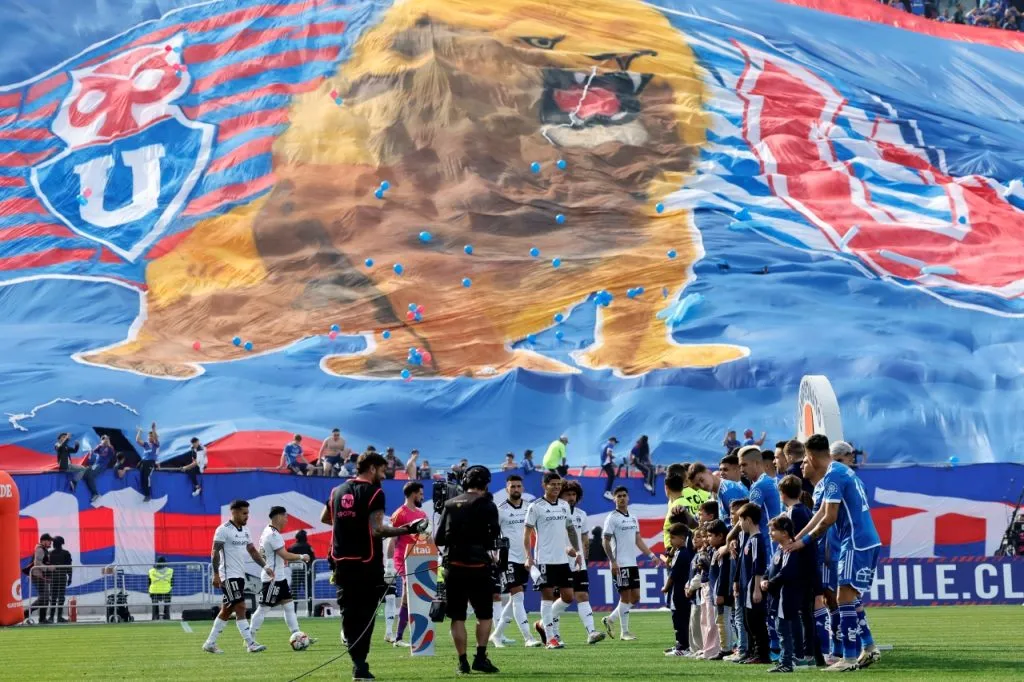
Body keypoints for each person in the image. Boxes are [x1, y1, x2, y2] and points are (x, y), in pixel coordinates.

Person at [320, 452, 423, 681]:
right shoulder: (375, 492)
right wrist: (408, 529)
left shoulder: (337, 491)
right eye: (383, 470)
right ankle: (360, 664)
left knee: (349, 612)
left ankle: (357, 662)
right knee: (366, 614)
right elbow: (377, 529)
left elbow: (325, 517)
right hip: (367, 562)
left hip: (342, 562)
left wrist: (349, 523)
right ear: (373, 468)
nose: (384, 476)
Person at [786, 435, 881, 672]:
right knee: (851, 597)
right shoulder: (842, 472)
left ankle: (848, 658)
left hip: (855, 542)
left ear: (809, 456)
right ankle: (868, 648)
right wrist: (797, 539)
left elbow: (828, 518)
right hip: (865, 540)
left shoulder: (832, 476)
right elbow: (820, 514)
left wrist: (804, 541)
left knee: (843, 599)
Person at [434, 465, 501, 675]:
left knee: (458, 617)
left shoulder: (450, 504)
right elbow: (493, 537)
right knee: (484, 615)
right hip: (479, 566)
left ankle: (462, 662)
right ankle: (480, 658)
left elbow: (439, 539)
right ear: (486, 483)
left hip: (454, 566)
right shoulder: (487, 504)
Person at [203, 499, 273, 654]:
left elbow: (253, 551)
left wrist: (265, 566)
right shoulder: (223, 529)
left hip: (239, 575)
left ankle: (210, 643)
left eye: (248, 513)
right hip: (228, 576)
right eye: (244, 513)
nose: (247, 516)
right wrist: (215, 574)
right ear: (234, 512)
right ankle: (250, 643)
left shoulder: (245, 531)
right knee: (241, 606)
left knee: (227, 610)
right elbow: (214, 553)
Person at [524, 472, 581, 649]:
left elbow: (570, 529)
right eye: (553, 484)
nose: (556, 487)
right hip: (544, 559)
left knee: (568, 597)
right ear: (544, 486)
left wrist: (576, 549)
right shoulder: (535, 506)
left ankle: (542, 623)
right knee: (547, 597)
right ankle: (550, 638)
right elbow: (526, 534)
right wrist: (528, 556)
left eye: (558, 485)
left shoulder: (564, 505)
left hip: (562, 559)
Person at [601, 486, 663, 641]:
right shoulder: (612, 517)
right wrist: (613, 562)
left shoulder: (633, 517)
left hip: (632, 563)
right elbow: (605, 541)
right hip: (620, 563)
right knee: (625, 597)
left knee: (635, 598)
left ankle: (610, 619)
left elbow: (638, 540)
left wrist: (651, 555)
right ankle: (625, 632)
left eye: (624, 495)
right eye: (619, 496)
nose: (622, 498)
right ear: (614, 499)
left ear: (628, 498)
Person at [250, 506, 315, 645]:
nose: (286, 520)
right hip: (273, 579)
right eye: (285, 517)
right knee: (263, 608)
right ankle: (249, 639)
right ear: (278, 516)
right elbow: (284, 555)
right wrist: (302, 556)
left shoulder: (268, 531)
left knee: (289, 606)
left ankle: (298, 635)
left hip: (279, 577)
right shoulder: (273, 534)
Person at [493, 475, 541, 648]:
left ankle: (497, 635)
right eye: (512, 486)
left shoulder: (530, 508)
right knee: (518, 596)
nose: (516, 489)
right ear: (507, 489)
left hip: (526, 559)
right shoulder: (500, 509)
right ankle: (528, 637)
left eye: (518, 486)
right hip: (508, 559)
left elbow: (538, 532)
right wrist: (494, 555)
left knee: (515, 600)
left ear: (523, 488)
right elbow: (492, 534)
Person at [779, 474, 820, 668]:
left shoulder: (793, 514)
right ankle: (808, 654)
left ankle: (802, 654)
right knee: (805, 613)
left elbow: (794, 543)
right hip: (808, 567)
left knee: (799, 613)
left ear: (782, 493)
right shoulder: (805, 511)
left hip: (799, 569)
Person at [559, 480, 605, 644]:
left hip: (579, 563)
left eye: (573, 494)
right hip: (559, 561)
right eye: (567, 494)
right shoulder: (556, 513)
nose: (571, 497)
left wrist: (584, 558)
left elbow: (585, 538)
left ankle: (591, 632)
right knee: (565, 598)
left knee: (583, 595)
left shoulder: (581, 514)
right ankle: (550, 630)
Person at [383, 481, 428, 647]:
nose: (422, 497)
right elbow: (392, 539)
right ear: (414, 494)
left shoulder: (422, 514)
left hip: (419, 558)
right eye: (421, 494)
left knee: (413, 596)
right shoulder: (399, 514)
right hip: (402, 558)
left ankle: (404, 636)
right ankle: (399, 637)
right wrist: (388, 565)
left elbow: (426, 537)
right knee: (409, 592)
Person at [763, 515, 805, 673]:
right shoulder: (779, 550)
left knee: (784, 630)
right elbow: (770, 569)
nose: (770, 533)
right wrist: (765, 579)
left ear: (785, 533)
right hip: (778, 595)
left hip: (787, 595)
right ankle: (785, 661)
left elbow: (787, 572)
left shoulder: (791, 550)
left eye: (773, 530)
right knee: (782, 629)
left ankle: (787, 663)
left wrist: (771, 582)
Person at [737, 502, 770, 664]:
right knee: (747, 620)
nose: (739, 524)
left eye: (740, 520)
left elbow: (759, 566)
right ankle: (753, 652)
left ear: (748, 520)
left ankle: (762, 654)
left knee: (755, 621)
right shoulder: (748, 539)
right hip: (746, 587)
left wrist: (757, 588)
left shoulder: (756, 540)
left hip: (753, 586)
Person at [687, 460, 749, 529]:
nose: (702, 486)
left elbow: (743, 521)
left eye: (702, 480)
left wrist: (729, 538)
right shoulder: (720, 492)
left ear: (708, 472)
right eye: (698, 485)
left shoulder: (728, 490)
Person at [663, 522, 694, 656]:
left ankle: (683, 646)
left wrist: (665, 587)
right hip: (679, 591)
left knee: (680, 619)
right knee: (680, 618)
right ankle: (680, 644)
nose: (670, 541)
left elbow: (673, 574)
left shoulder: (682, 554)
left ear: (681, 538)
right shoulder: (679, 552)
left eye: (672, 538)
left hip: (679, 591)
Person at [56, 432, 99, 504]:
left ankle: (74, 483)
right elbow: (61, 447)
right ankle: (74, 482)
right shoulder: (57, 445)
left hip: (68, 465)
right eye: (63, 437)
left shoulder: (65, 446)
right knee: (83, 468)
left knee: (83, 469)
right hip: (64, 465)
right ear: (59, 439)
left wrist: (77, 445)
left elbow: (74, 451)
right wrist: (67, 438)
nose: (64, 438)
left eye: (65, 437)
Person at [287, 529, 316, 614]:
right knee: (308, 591)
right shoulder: (308, 547)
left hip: (296, 574)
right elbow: (313, 559)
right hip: (307, 573)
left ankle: (293, 611)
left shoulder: (292, 547)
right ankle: (309, 611)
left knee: (294, 592)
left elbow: (288, 558)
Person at [29, 533, 53, 624]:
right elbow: (37, 563)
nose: (50, 542)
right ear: (43, 541)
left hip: (41, 576)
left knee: (45, 598)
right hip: (38, 576)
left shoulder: (43, 549)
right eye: (49, 540)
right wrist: (48, 568)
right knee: (44, 597)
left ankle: (42, 619)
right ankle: (28, 612)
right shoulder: (40, 549)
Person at [48, 536, 72, 624]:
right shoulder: (66, 553)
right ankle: (58, 617)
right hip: (60, 577)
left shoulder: (50, 553)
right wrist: (70, 577)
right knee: (59, 597)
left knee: (54, 597)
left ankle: (52, 617)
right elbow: (69, 567)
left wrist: (70, 577)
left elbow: (69, 567)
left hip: (55, 578)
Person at [135, 423, 160, 502]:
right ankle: (145, 494)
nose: (150, 437)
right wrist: (139, 431)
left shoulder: (156, 444)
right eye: (149, 436)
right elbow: (137, 440)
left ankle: (148, 495)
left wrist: (153, 430)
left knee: (146, 478)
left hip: (150, 462)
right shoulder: (146, 444)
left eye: (151, 436)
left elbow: (156, 438)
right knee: (142, 479)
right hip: (143, 462)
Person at [148, 556, 173, 621]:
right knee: (167, 602)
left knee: (154, 603)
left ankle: (155, 616)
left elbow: (149, 582)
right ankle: (167, 616)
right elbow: (172, 582)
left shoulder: (151, 571)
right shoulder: (170, 571)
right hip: (166, 591)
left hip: (154, 591)